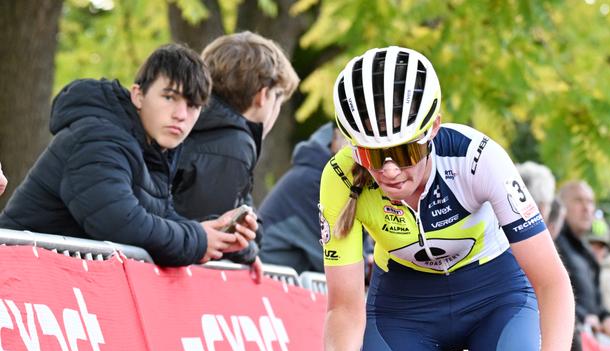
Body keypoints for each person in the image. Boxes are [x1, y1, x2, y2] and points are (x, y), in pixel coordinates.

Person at [307, 46, 575, 351]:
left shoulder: (476, 159)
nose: (388, 171)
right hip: (404, 313)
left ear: (431, 131)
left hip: (495, 299)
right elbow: (344, 305)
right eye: (372, 154)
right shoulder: (339, 179)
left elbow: (553, 283)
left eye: (404, 152)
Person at [0, 44, 256, 267]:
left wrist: (220, 234)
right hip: (15, 284)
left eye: (193, 106)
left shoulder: (154, 147)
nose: (181, 114)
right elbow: (121, 224)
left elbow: (161, 218)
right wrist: (198, 239)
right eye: (169, 97)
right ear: (138, 95)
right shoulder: (98, 138)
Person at [172, 32, 299, 276]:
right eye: (278, 100)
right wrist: (248, 251)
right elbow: (215, 234)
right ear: (263, 96)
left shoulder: (199, 125)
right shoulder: (232, 144)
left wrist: (251, 231)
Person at [258, 123, 352, 272]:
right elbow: (337, 260)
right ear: (334, 139)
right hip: (267, 278)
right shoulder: (315, 182)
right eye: (351, 140)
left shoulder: (332, 179)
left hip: (289, 280)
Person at [555, 180, 610, 337]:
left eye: (590, 202)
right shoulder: (552, 243)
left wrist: (608, 318)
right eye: (578, 200)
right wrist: (583, 317)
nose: (586, 208)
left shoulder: (587, 254)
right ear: (562, 207)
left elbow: (595, 305)